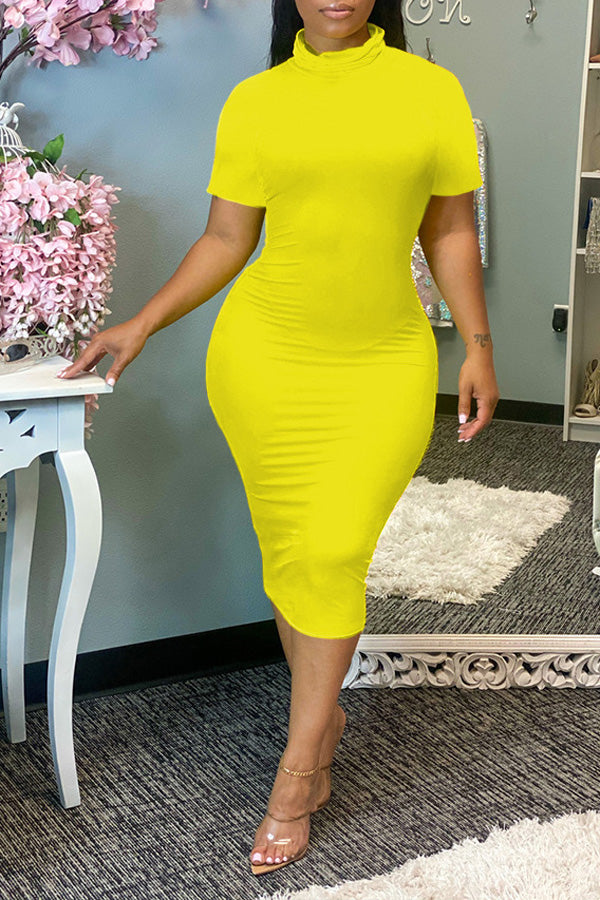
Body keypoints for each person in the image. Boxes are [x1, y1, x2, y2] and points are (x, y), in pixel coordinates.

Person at [57, 0, 500, 877]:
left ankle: (297, 778)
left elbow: (448, 227)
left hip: (383, 361)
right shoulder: (257, 101)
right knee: (294, 556)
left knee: (330, 552)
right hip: (265, 362)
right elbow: (228, 238)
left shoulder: (431, 91)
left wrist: (480, 346)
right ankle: (320, 721)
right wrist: (142, 322)